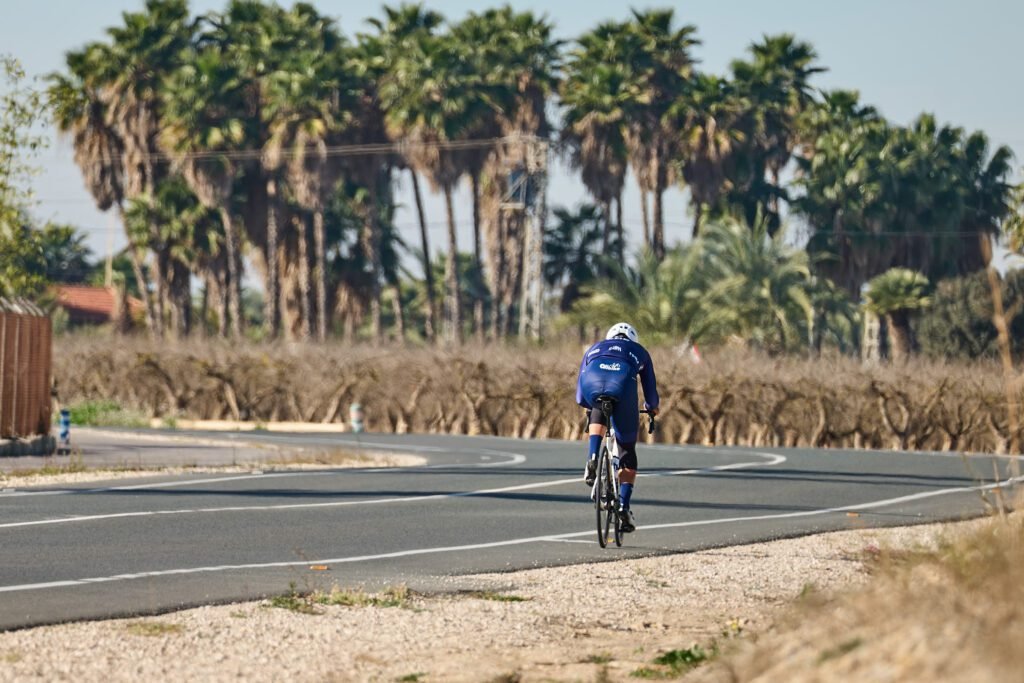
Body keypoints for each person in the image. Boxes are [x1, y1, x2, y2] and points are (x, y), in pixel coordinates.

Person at [575, 322, 659, 533]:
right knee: (627, 450)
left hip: (591, 383)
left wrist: (588, 405)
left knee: (595, 404)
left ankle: (593, 455)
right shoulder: (640, 352)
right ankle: (624, 505)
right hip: (622, 386)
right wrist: (651, 409)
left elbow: (579, 396)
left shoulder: (594, 347)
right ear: (633, 340)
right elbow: (651, 394)